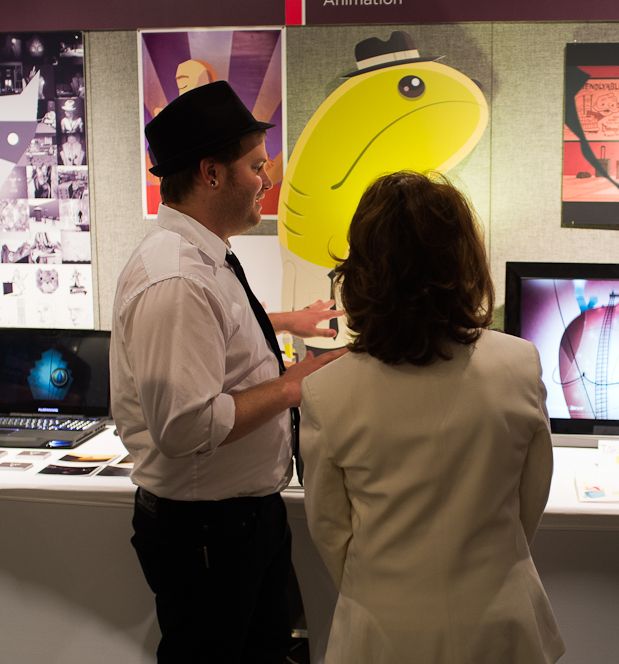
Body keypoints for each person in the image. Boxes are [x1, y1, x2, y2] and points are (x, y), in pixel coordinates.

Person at [110, 80, 345, 664]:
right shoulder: (176, 278)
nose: (267, 180)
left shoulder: (203, 257)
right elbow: (186, 426)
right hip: (208, 535)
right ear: (211, 174)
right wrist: (296, 384)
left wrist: (287, 321)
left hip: (238, 523)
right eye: (256, 166)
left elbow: (220, 331)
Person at [301, 171, 565, 663]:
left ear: (362, 271)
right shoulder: (520, 364)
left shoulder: (325, 392)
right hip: (500, 622)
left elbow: (330, 532)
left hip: (382, 632)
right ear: (464, 260)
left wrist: (383, 587)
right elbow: (530, 500)